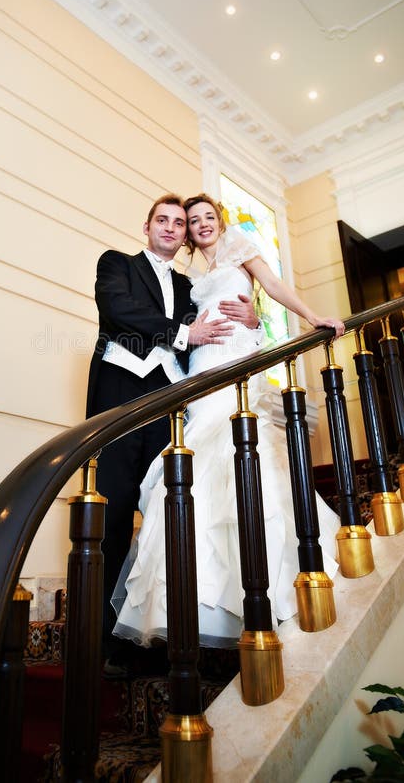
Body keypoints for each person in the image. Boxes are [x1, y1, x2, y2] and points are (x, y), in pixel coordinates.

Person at [111, 193, 345, 649]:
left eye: (206, 217)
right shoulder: (190, 277)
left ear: (220, 221)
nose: (199, 224)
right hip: (199, 368)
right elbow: (173, 326)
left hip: (234, 359)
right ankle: (193, 603)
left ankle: (269, 590)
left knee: (242, 459)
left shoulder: (240, 247)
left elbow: (273, 287)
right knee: (192, 469)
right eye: (191, 220)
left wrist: (304, 318)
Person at [86, 194, 261, 675]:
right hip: (121, 398)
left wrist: (254, 319)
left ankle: (168, 633)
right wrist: (183, 336)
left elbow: (220, 320)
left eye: (179, 223)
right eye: (162, 220)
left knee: (172, 513)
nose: (171, 228)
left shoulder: (189, 285)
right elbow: (119, 311)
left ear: (186, 235)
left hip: (172, 403)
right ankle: (108, 646)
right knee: (115, 515)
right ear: (147, 227)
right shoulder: (116, 264)